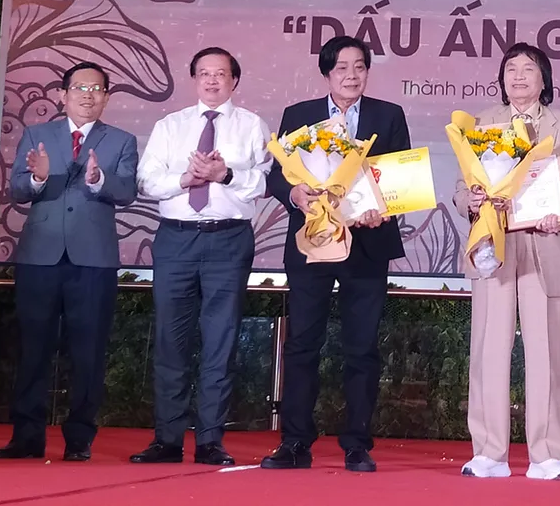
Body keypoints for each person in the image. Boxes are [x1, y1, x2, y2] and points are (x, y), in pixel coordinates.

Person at [261, 35, 411, 472]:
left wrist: (382, 209)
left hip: (367, 244)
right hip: (312, 241)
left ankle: (357, 444)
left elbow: (400, 178)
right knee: (302, 343)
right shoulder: (299, 115)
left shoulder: (388, 115)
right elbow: (277, 176)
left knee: (361, 347)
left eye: (359, 67)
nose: (351, 75)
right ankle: (295, 442)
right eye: (342, 67)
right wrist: (294, 194)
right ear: (327, 73)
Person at [453, 43, 560, 480]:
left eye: (528, 69)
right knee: (488, 348)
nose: (518, 76)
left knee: (549, 350)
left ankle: (546, 453)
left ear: (544, 79)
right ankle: (489, 452)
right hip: (493, 245)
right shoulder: (479, 125)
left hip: (546, 244)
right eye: (510, 68)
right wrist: (470, 200)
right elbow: (461, 187)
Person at [0, 61, 138, 462]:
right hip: (40, 256)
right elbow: (18, 190)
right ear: (62, 94)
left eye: (96, 89)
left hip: (94, 260)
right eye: (79, 88)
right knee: (33, 348)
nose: (87, 95)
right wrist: (37, 178)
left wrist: (98, 180)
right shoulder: (38, 135)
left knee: (88, 351)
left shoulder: (121, 140)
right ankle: (27, 437)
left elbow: (127, 191)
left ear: (106, 97)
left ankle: (79, 438)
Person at [130, 47, 271, 466]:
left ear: (234, 81)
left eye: (221, 74)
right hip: (175, 239)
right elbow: (146, 181)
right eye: (204, 73)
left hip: (228, 239)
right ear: (193, 79)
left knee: (220, 340)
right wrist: (185, 179)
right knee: (170, 340)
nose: (212, 80)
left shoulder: (252, 125)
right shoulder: (170, 126)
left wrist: (224, 175)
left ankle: (210, 440)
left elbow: (265, 182)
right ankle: (167, 439)